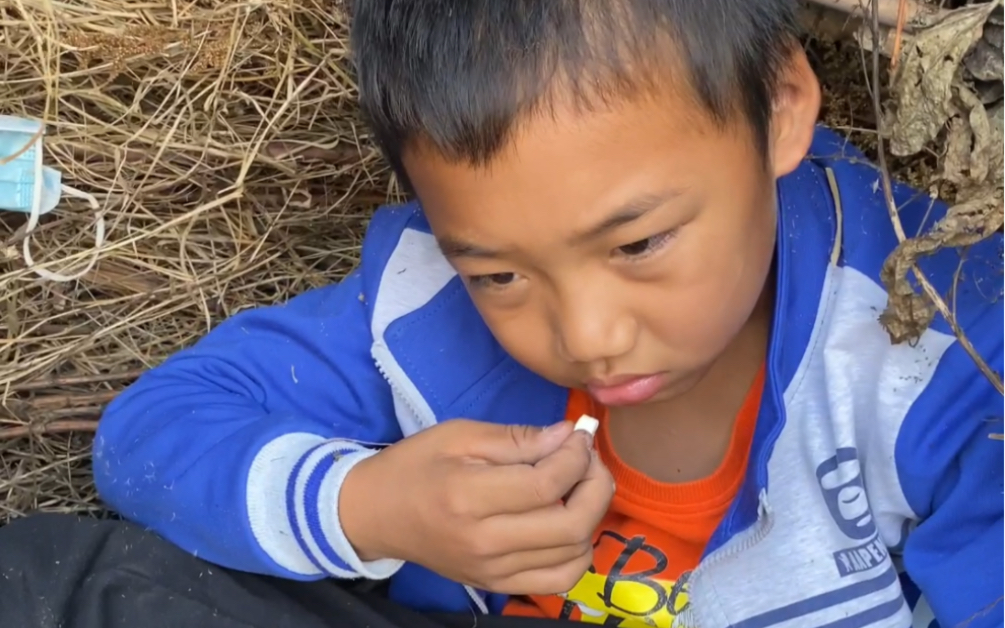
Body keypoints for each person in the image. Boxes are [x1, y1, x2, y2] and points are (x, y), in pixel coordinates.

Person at [1, 1, 1001, 627]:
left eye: (638, 244)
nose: (588, 336)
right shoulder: (425, 304)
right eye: (500, 274)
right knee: (49, 582)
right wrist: (369, 508)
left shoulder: (944, 341)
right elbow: (152, 432)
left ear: (779, 105)